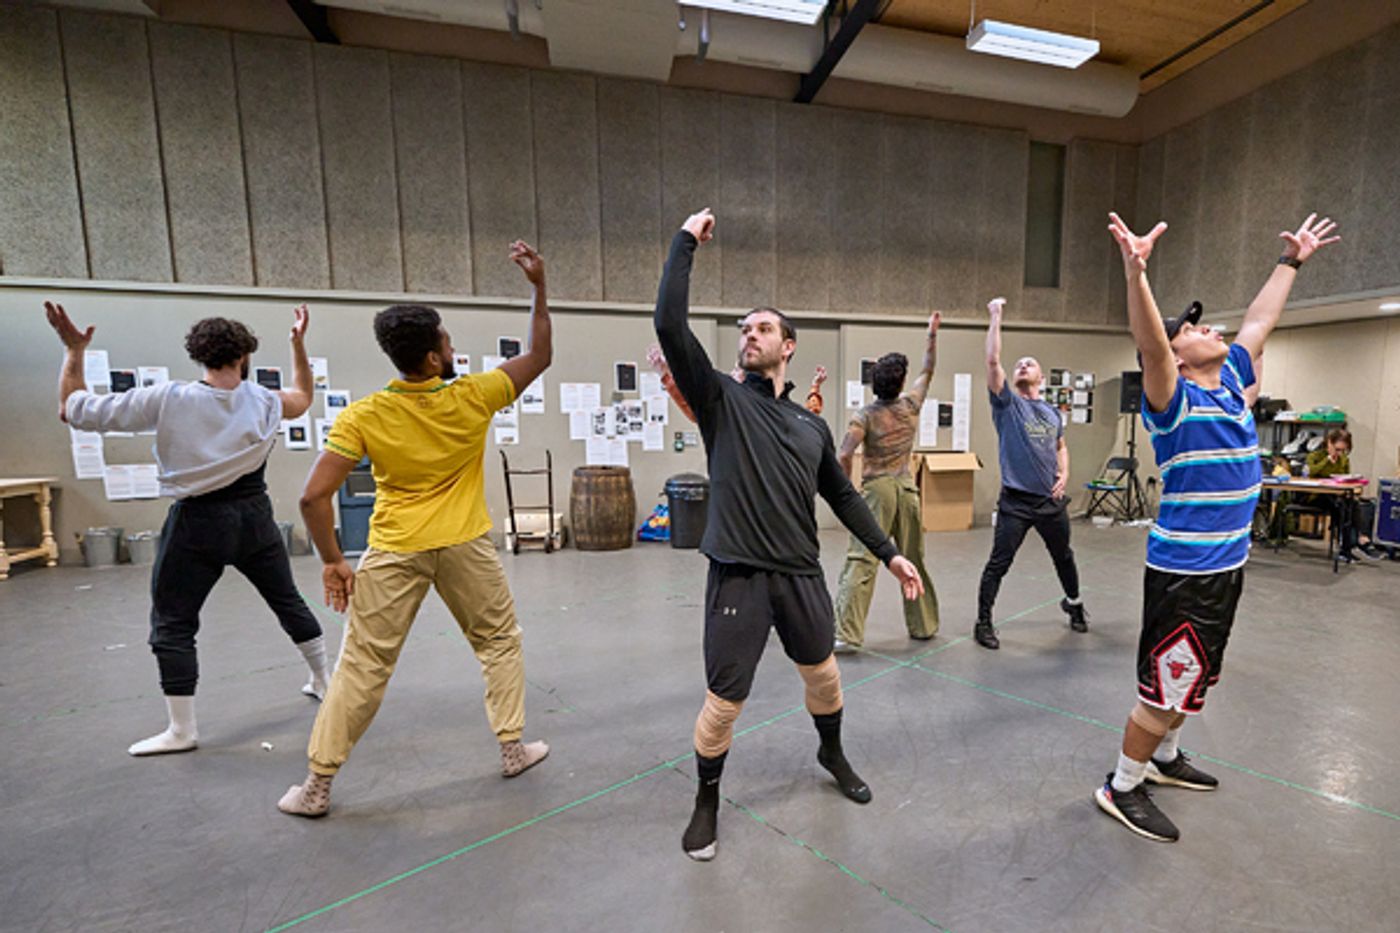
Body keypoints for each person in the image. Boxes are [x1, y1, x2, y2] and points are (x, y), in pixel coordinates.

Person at [654, 208, 925, 861]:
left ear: (790, 344)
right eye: (744, 328)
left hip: (801, 575)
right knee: (723, 705)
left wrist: (890, 554)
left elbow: (840, 493)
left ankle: (830, 751)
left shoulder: (811, 428)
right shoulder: (720, 398)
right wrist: (685, 242)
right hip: (739, 575)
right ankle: (707, 801)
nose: (750, 334)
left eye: (764, 327)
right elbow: (669, 323)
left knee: (826, 679)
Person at [278, 241, 552, 817]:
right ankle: (510, 748)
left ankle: (317, 786)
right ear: (432, 359)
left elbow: (312, 496)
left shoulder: (364, 415)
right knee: (498, 642)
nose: (453, 348)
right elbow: (539, 355)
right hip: (464, 546)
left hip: (394, 549)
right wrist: (537, 287)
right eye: (447, 342)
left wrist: (332, 559)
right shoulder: (473, 397)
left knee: (363, 665)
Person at [1095, 210, 1339, 842]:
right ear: (1178, 353)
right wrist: (1136, 271)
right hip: (1186, 574)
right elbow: (1151, 342)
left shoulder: (1231, 381)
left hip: (1226, 568)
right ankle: (1122, 785)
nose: (1209, 328)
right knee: (1164, 687)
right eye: (1194, 328)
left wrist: (1291, 261)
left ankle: (1167, 761)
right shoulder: (1174, 401)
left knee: (1196, 677)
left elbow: (1259, 321)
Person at [46, 302, 331, 756]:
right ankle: (324, 679)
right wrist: (298, 345)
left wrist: (74, 351)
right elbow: (303, 396)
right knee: (287, 599)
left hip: (198, 521)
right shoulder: (264, 400)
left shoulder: (169, 397)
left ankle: (181, 730)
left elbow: (73, 409)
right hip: (255, 516)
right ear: (244, 356)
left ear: (199, 356)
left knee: (173, 622)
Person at [974, 297, 1087, 650]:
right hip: (1016, 502)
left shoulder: (1052, 413)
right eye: (1019, 364)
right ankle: (984, 622)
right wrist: (996, 316)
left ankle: (1075, 604)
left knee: (1063, 556)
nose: (1022, 366)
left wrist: (1064, 473)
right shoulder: (1008, 404)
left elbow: (1061, 446)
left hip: (1050, 501)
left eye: (1029, 364)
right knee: (999, 563)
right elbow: (993, 360)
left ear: (1040, 376)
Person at [832, 314, 942, 651]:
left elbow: (844, 453)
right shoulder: (911, 405)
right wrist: (931, 336)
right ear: (900, 381)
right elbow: (928, 370)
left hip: (877, 490)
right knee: (912, 557)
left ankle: (847, 634)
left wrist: (849, 487)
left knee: (862, 557)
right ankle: (923, 626)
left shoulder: (864, 416)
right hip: (907, 490)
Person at [1304, 428, 1386, 562]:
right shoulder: (1315, 456)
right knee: (1341, 507)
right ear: (1329, 443)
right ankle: (1354, 543)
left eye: (1343, 450)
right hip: (1317, 495)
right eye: (1337, 449)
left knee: (1352, 504)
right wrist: (1328, 460)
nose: (1340, 453)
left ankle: (1353, 543)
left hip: (1336, 495)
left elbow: (1345, 477)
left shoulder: (1343, 460)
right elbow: (1312, 472)